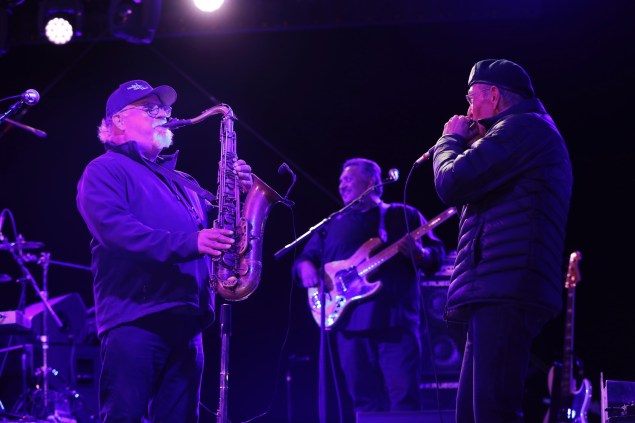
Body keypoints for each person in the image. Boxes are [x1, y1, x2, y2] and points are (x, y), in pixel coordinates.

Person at [76, 80, 253, 423]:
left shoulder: (180, 180)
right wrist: (191, 242)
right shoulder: (104, 170)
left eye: (164, 109)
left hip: (188, 320)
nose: (163, 115)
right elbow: (118, 233)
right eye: (150, 109)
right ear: (118, 120)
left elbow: (218, 231)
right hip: (135, 319)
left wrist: (239, 194)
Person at [428, 59, 573, 422]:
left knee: (493, 412)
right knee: (471, 414)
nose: (467, 110)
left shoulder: (524, 128)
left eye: (471, 98)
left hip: (506, 286)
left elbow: (452, 182)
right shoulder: (519, 132)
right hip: (495, 285)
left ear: (493, 95)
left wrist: (449, 140)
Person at [293, 158, 446, 416]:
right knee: (364, 404)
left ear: (372, 182)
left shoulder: (402, 214)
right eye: (340, 180)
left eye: (348, 179)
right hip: (348, 326)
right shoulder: (333, 223)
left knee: (405, 403)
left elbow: (437, 254)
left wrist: (420, 254)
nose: (342, 185)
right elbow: (306, 258)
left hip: (396, 324)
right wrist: (305, 267)